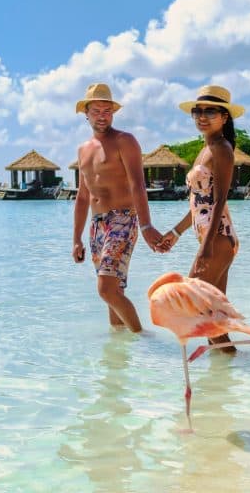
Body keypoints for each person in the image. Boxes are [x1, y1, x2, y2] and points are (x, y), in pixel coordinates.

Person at [72, 82, 165, 333]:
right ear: (86, 113)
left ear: (113, 113)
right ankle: (120, 354)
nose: (102, 116)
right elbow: (82, 196)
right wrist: (76, 239)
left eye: (107, 110)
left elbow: (138, 185)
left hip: (123, 219)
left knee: (105, 288)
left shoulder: (125, 141)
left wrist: (146, 225)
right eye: (96, 111)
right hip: (97, 225)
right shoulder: (83, 150)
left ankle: (143, 339)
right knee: (113, 292)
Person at [160, 84, 244, 353]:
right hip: (213, 238)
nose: (202, 116)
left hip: (217, 240)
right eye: (198, 111)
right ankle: (227, 374)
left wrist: (206, 246)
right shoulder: (206, 148)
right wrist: (176, 232)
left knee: (192, 303)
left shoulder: (222, 148)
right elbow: (200, 203)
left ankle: (230, 369)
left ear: (225, 117)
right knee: (212, 316)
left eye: (211, 111)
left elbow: (220, 200)